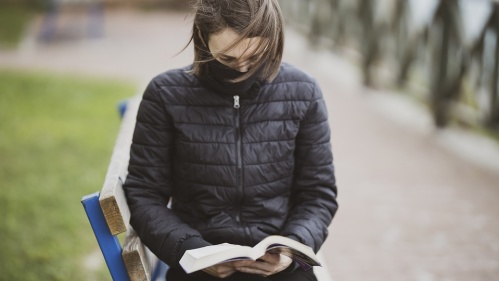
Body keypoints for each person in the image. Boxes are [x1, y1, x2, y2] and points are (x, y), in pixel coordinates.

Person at [123, 0, 338, 280]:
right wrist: (190, 250)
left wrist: (293, 248)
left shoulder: (303, 91)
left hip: (280, 265)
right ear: (202, 36)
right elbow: (144, 194)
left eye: (255, 57)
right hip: (199, 261)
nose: (242, 70)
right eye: (228, 59)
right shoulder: (165, 94)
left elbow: (318, 193)